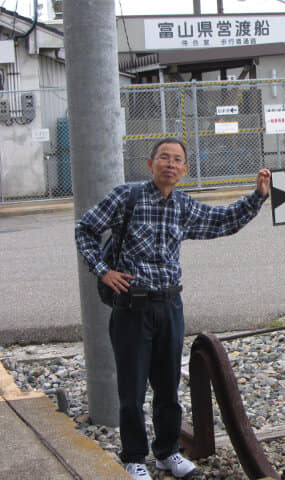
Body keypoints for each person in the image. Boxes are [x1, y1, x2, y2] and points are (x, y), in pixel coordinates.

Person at [75, 138, 271, 480]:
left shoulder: (183, 205)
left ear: (184, 170)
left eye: (176, 159)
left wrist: (258, 197)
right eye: (163, 157)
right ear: (150, 164)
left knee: (168, 387)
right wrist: (103, 271)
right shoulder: (127, 197)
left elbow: (222, 221)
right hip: (132, 309)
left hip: (169, 306)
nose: (169, 164)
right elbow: (85, 228)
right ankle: (134, 457)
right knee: (132, 391)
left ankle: (166, 453)